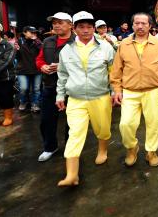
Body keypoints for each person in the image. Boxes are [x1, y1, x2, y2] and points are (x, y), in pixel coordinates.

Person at [56, 11, 115, 187]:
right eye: (81, 27)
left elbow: (113, 72)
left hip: (100, 96)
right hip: (76, 98)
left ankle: (102, 149)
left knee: (102, 128)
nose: (86, 30)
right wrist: (60, 95)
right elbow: (62, 74)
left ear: (94, 28)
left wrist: (115, 91)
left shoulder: (105, 47)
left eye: (89, 27)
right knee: (74, 134)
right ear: (74, 29)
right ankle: (72, 174)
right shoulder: (66, 50)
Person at [110, 12, 158, 168]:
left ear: (150, 25)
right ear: (132, 25)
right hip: (130, 91)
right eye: (137, 23)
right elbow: (116, 70)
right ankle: (132, 147)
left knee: (153, 124)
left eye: (143, 23)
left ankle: (151, 151)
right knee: (125, 124)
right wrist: (117, 90)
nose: (140, 26)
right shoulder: (124, 44)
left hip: (152, 90)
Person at [36, 12, 75, 162]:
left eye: (61, 22)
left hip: (71, 87)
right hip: (50, 85)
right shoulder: (47, 41)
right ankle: (50, 147)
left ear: (71, 25)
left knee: (72, 121)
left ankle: (71, 148)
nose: (57, 25)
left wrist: (63, 66)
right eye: (54, 22)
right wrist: (43, 66)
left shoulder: (77, 42)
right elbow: (39, 59)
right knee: (46, 119)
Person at [15, 26, 43, 112]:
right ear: (24, 32)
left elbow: (42, 52)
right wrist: (17, 50)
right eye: (31, 32)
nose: (34, 34)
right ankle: (23, 101)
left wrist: (36, 41)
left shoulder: (38, 42)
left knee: (37, 89)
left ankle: (35, 104)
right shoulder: (19, 42)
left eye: (35, 32)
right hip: (23, 69)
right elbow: (17, 56)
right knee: (23, 88)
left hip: (36, 69)